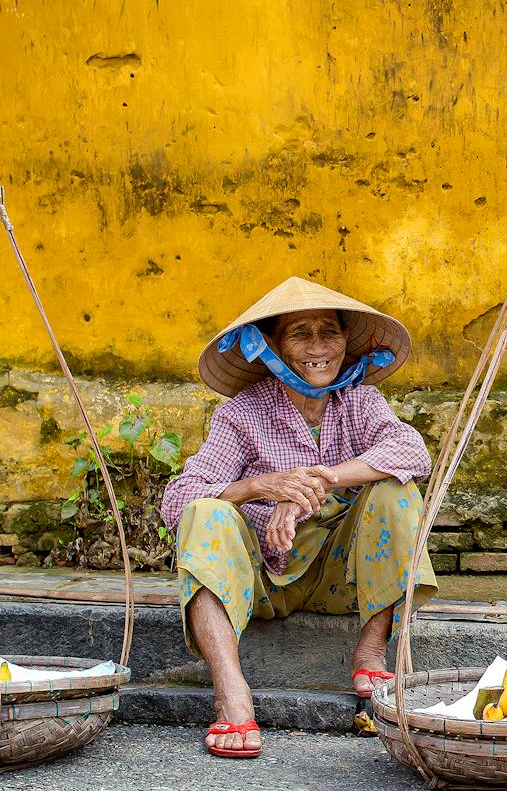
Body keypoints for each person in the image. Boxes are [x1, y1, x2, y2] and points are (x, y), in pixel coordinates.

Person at [160, 277, 438, 757]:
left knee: (398, 489)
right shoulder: (244, 413)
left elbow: (412, 450)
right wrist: (263, 486)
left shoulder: (359, 400)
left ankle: (371, 651)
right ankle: (231, 695)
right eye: (299, 334)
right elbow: (178, 497)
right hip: (262, 583)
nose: (317, 348)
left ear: (345, 342)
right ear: (273, 347)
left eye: (328, 332)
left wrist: (320, 481)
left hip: (341, 578)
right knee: (204, 512)